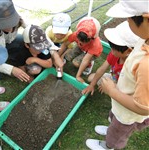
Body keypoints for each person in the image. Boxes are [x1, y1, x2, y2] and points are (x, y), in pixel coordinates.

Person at [86, 0, 149, 149]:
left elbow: (143, 108)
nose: (127, 21)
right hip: (121, 102)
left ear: (146, 18)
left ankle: (109, 145)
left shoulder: (146, 66)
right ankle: (111, 129)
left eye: (129, 18)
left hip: (128, 115)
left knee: (118, 133)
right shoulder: (144, 38)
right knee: (114, 120)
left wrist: (112, 91)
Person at [82, 21, 139, 96]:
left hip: (125, 86)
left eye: (114, 49)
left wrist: (111, 87)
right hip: (114, 77)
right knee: (91, 78)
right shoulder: (114, 55)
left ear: (128, 51)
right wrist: (92, 85)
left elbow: (132, 87)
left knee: (117, 93)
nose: (111, 51)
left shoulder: (134, 65)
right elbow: (102, 68)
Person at [0, 0, 30, 82]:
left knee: (22, 40)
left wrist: (52, 50)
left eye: (11, 22)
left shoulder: (18, 19)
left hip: (9, 42)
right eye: (4, 24)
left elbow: (33, 30)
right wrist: (11, 69)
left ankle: (11, 57)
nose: (10, 28)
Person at [59, 17, 103, 83]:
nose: (81, 42)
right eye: (79, 40)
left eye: (84, 41)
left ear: (91, 38)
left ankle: (89, 65)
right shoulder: (76, 34)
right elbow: (65, 44)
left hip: (92, 53)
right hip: (81, 48)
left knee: (76, 63)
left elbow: (85, 60)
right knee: (68, 56)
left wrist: (78, 76)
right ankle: (77, 56)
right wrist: (59, 57)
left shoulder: (95, 44)